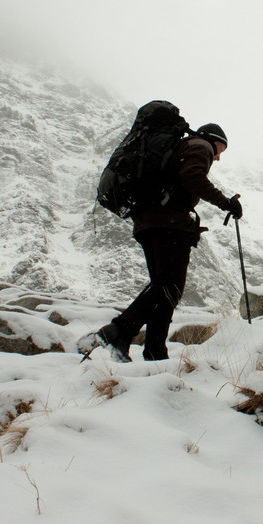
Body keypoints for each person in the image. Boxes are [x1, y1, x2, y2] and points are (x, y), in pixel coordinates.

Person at [85, 123, 242, 362]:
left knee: (164, 288)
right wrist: (226, 203)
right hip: (169, 224)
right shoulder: (201, 145)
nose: (218, 157)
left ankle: (155, 352)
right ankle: (118, 331)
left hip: (148, 222)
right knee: (170, 287)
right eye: (221, 149)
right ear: (214, 139)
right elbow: (192, 176)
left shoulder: (180, 146)